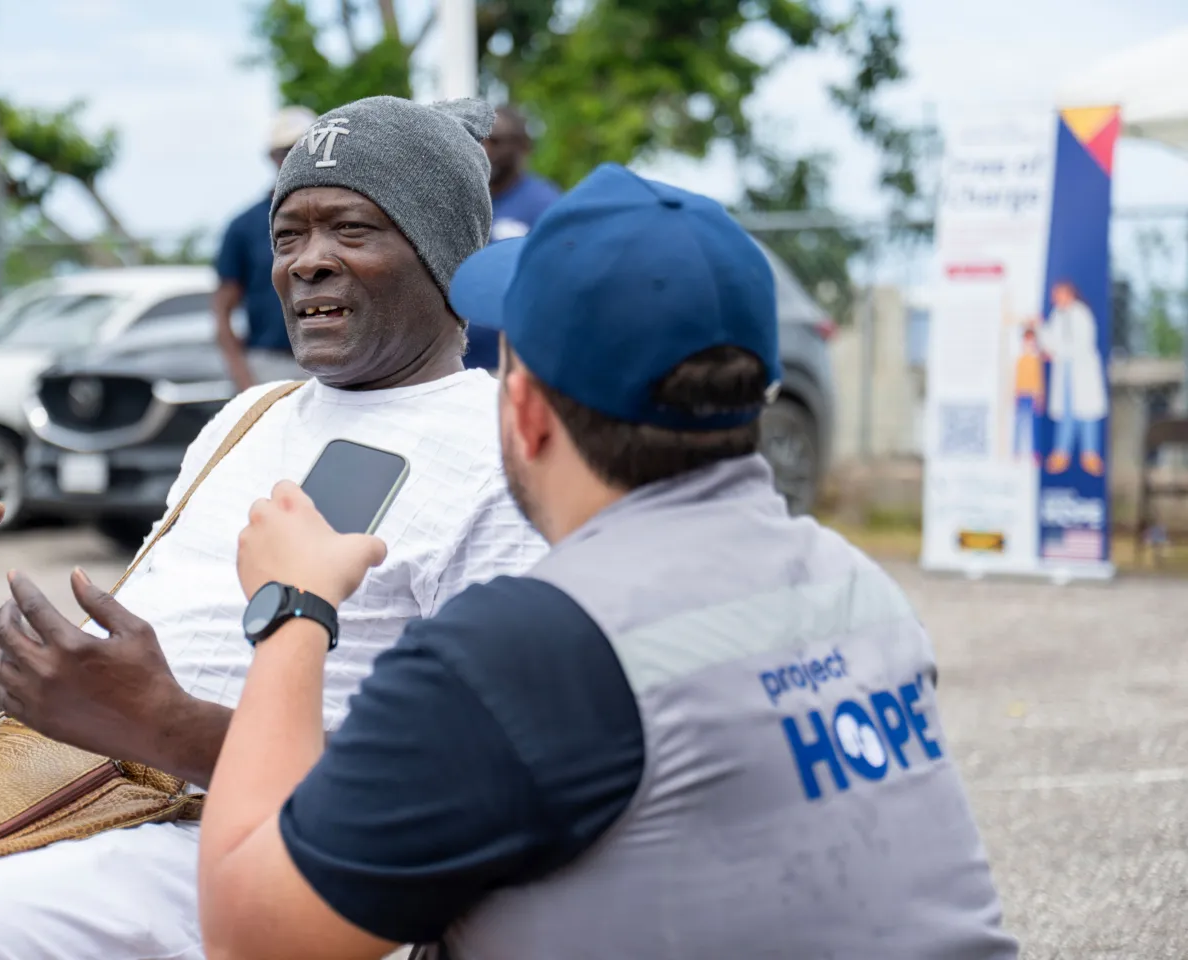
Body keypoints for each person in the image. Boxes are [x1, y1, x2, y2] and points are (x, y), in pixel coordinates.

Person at [0, 95, 547, 960]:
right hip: (87, 795)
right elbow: (108, 708)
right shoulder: (248, 419)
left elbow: (460, 789)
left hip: (256, 846)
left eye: (351, 230)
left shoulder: (501, 453)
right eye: (288, 236)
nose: (307, 262)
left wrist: (164, 726)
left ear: (444, 253)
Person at [196, 164, 1019, 960]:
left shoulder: (528, 647)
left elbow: (249, 935)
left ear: (525, 410)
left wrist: (294, 608)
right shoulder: (858, 587)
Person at [212, 105, 317, 390]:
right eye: (286, 151)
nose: (294, 159)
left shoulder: (345, 214)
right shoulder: (245, 226)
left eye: (304, 148)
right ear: (272, 156)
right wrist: (245, 380)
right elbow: (222, 309)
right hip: (271, 366)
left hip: (339, 363)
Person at [462, 105, 562, 371]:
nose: (485, 150)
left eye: (496, 142)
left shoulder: (546, 207)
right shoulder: (460, 200)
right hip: (457, 366)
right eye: (480, 141)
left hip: (512, 369)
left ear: (523, 147)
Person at [1035, 280, 1108, 476]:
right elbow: (1050, 341)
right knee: (1066, 413)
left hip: (1080, 369)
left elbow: (1081, 344)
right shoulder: (1057, 315)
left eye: (1058, 294)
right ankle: (1061, 453)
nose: (1055, 299)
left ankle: (1090, 454)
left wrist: (1056, 352)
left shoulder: (1081, 314)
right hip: (1065, 370)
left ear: (1069, 294)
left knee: (1087, 414)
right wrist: (1040, 329)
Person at [1013, 324, 1045, 461]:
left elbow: (1039, 379)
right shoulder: (1020, 360)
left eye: (1032, 342)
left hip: (1034, 395)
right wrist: (1016, 394)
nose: (1029, 345)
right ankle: (1016, 451)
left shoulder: (1036, 360)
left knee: (1035, 426)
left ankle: (1035, 452)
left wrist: (1040, 395)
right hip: (1022, 395)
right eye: (1027, 342)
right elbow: (1017, 379)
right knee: (1019, 423)